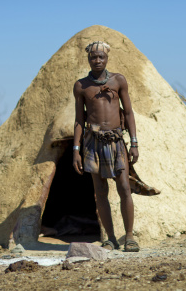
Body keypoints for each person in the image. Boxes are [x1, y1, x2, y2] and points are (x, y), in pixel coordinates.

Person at [72, 41, 140, 252]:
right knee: (100, 192)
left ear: (107, 58)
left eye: (101, 57)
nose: (97, 60)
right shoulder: (81, 86)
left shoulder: (118, 80)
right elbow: (79, 120)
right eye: (93, 57)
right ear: (88, 59)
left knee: (124, 187)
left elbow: (128, 113)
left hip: (116, 140)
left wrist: (134, 143)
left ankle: (129, 237)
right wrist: (76, 150)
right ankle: (110, 238)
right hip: (93, 142)